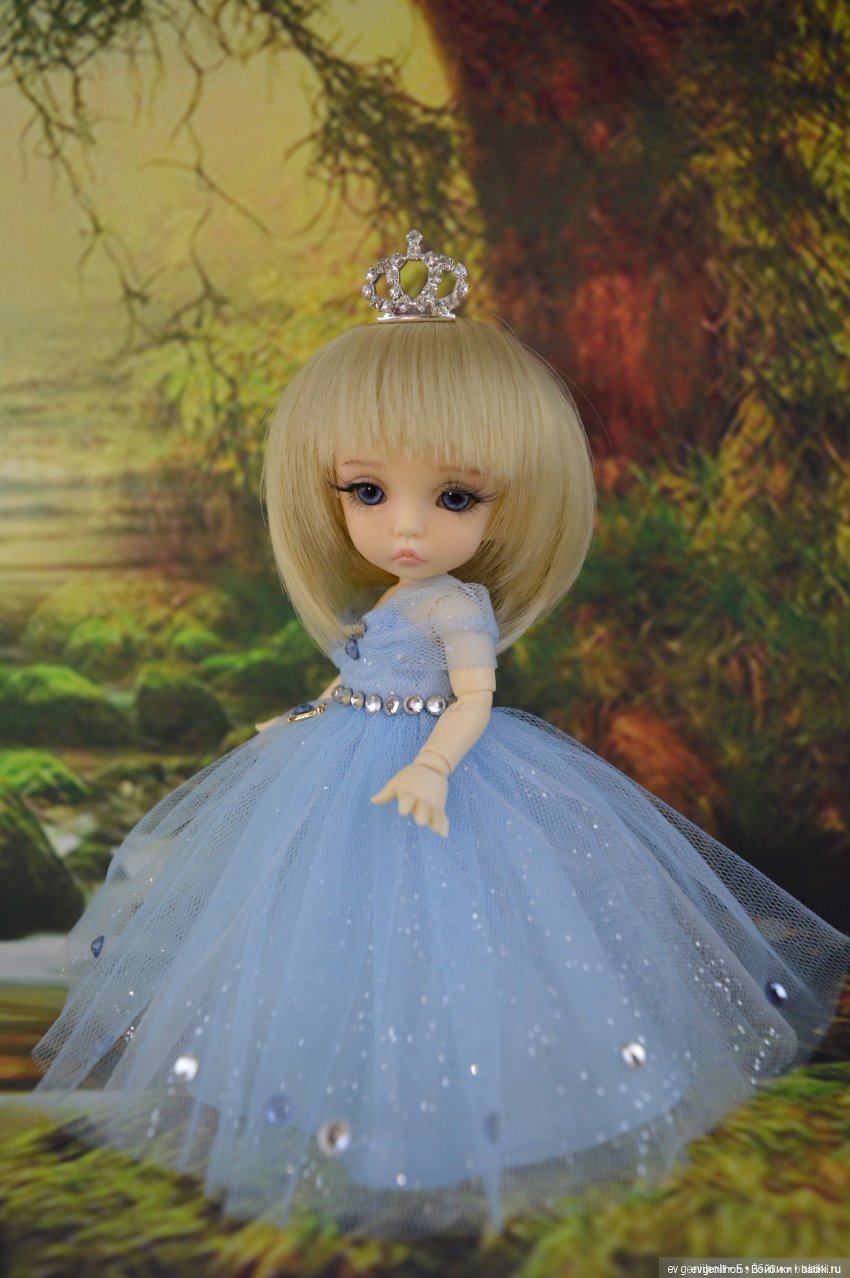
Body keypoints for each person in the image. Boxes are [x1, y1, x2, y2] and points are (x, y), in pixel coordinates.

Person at [31, 230, 850, 1241]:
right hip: (344, 761)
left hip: (442, 772)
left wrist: (430, 766)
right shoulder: (388, 601)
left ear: (505, 501)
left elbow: (471, 699)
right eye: (368, 492)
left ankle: (461, 1135)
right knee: (329, 937)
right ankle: (331, 1118)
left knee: (463, 944)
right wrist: (301, 719)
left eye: (454, 496)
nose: (407, 527)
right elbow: (363, 675)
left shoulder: (457, 605)